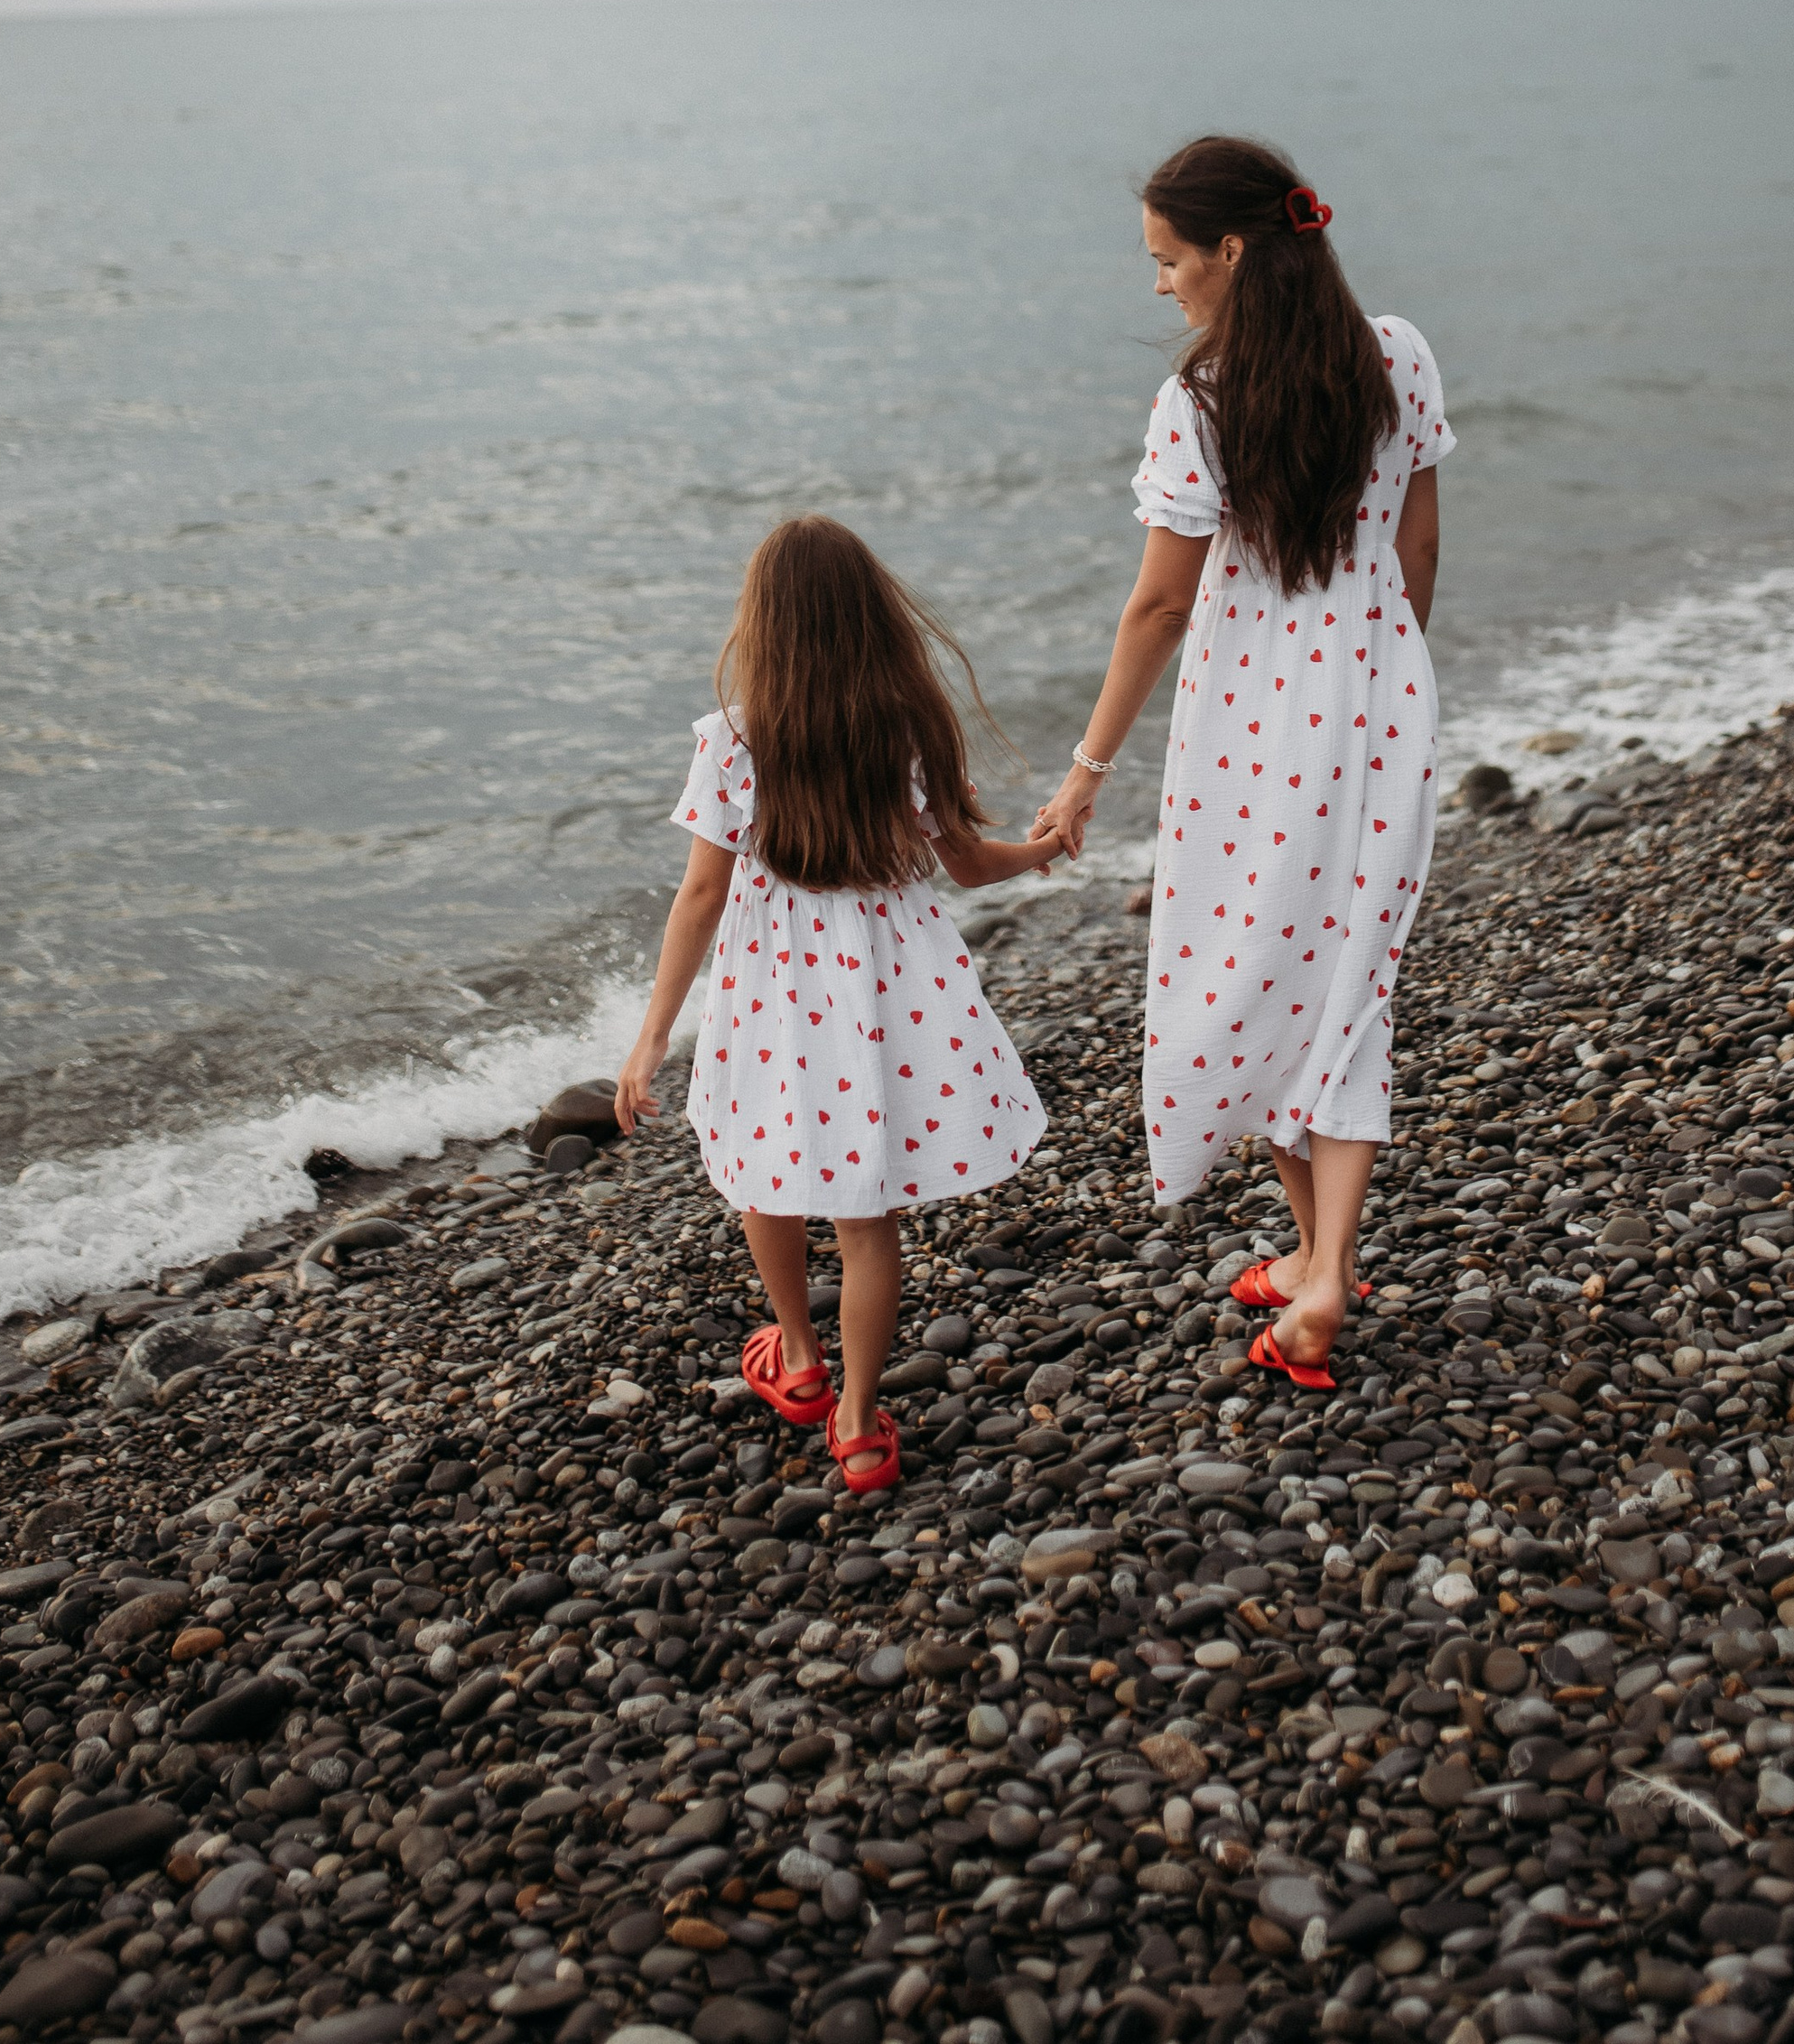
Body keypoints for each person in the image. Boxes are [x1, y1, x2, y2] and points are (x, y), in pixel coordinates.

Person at [1032, 135, 1452, 1394]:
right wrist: (1387, 681)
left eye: (1168, 259)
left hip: (1253, 730)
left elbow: (1159, 608)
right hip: (1381, 699)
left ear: (1231, 250)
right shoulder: (1400, 351)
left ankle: (1324, 1274)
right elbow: (1418, 546)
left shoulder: (1199, 403)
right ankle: (1319, 1249)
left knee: (1265, 963)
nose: (1158, 284)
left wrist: (1087, 767)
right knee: (1345, 976)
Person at [616, 516, 1059, 1492]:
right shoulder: (909, 724)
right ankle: (858, 1424)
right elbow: (972, 864)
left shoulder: (732, 739)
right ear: (872, 615)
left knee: (764, 1166)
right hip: (883, 986)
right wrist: (1046, 845)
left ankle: (801, 1356)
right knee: (867, 1214)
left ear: (763, 624)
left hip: (770, 985)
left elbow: (698, 895)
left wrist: (650, 1039)